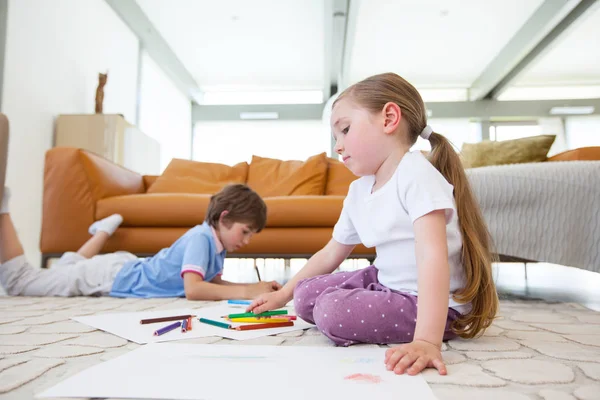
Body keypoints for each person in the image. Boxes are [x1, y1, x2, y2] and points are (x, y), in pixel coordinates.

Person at [248, 72, 498, 376]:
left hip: (432, 302)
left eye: (345, 130)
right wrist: (283, 293)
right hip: (387, 280)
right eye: (335, 137)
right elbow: (330, 253)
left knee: (331, 311)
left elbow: (432, 258)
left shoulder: (417, 175)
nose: (338, 146)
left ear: (389, 118)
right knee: (304, 296)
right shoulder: (358, 191)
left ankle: (425, 328)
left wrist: (426, 340)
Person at [0, 182, 281, 300]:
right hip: (110, 277)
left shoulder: (218, 244)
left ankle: (103, 232)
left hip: (123, 267)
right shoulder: (200, 237)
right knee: (19, 283)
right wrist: (246, 292)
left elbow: (214, 283)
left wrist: (254, 288)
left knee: (67, 269)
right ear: (224, 218)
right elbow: (194, 289)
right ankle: (3, 206)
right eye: (245, 231)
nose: (247, 240)